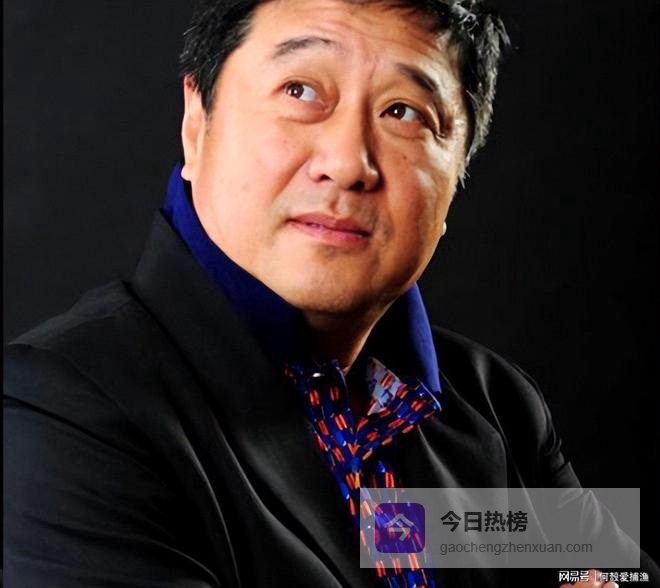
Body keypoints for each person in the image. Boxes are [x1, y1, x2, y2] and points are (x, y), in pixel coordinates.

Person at [3, 0, 657, 587]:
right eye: (300, 90)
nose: (347, 163)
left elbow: (618, 574)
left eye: (403, 112)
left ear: (459, 170)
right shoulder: (62, 415)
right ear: (197, 125)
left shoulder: (495, 404)